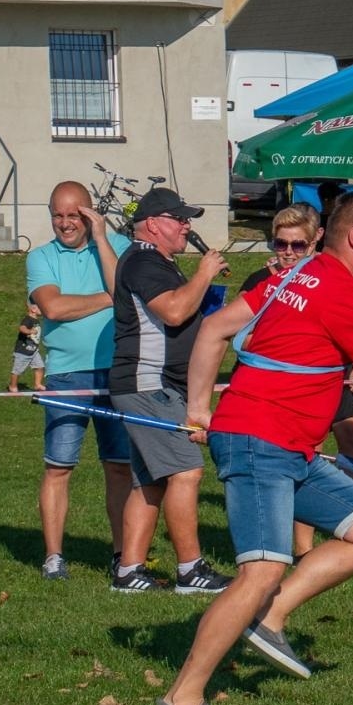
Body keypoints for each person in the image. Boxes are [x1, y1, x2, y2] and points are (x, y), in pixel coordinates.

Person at [157, 191, 353, 705]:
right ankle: (181, 698)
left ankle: (271, 617)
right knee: (260, 571)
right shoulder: (346, 295)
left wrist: (199, 408)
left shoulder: (291, 275)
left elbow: (215, 329)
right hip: (261, 442)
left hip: (284, 446)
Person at [107, 187, 232, 595]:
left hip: (157, 387)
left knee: (151, 481)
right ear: (155, 224)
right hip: (147, 385)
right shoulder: (144, 261)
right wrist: (204, 274)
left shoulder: (158, 261)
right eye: (180, 219)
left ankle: (129, 572)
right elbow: (175, 310)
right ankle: (190, 571)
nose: (187, 226)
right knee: (186, 470)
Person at [241, 205, 353, 508]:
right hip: (288, 382)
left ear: (314, 242)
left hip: (332, 374)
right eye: (281, 244)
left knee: (350, 438)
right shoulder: (261, 282)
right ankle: (302, 536)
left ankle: (352, 505)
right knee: (307, 452)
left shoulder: (327, 279)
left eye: (297, 245)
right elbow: (239, 336)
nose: (288, 252)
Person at [27, 181, 132, 580]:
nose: (66, 222)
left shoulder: (117, 246)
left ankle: (124, 555)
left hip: (118, 370)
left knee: (120, 467)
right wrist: (108, 298)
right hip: (66, 374)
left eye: (76, 214)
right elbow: (52, 306)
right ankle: (54, 556)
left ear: (91, 213)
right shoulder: (40, 258)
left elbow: (126, 286)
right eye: (58, 214)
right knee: (59, 467)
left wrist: (103, 240)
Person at [8, 303, 45, 393]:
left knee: (40, 367)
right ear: (33, 309)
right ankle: (12, 386)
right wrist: (29, 331)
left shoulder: (36, 321)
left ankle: (37, 384)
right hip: (23, 350)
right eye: (41, 307)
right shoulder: (28, 319)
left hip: (34, 351)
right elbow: (22, 328)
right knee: (17, 370)